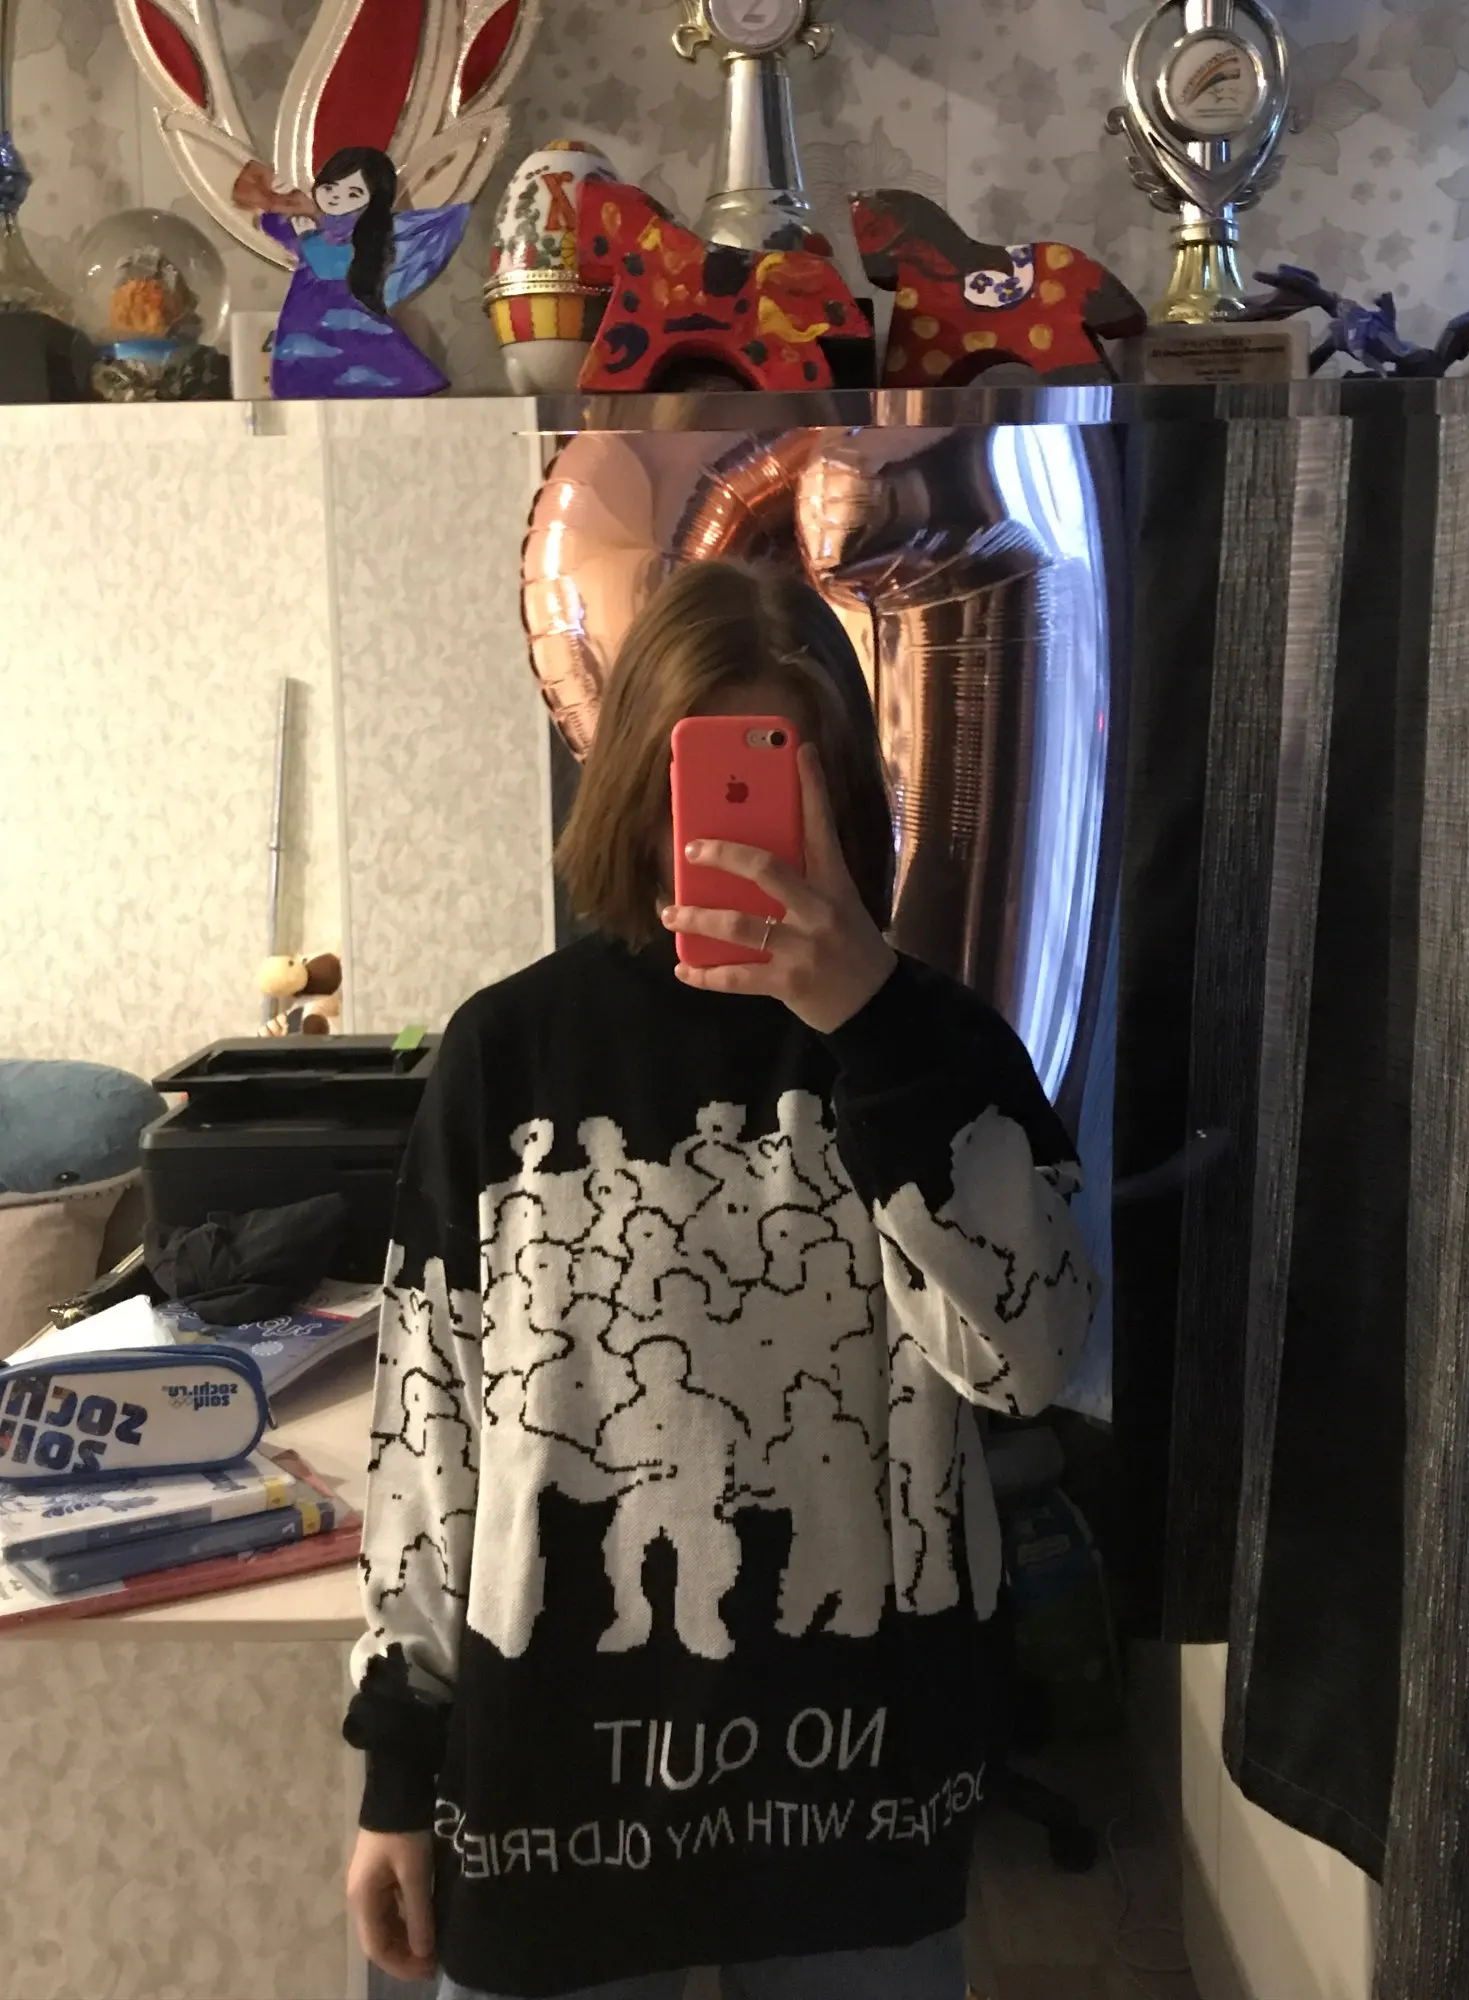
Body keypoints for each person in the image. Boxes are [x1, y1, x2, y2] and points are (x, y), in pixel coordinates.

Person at [343, 559, 1100, 2000]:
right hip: (556, 1788)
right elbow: (429, 1434)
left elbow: (1032, 1357)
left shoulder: (943, 1047)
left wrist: (872, 1031)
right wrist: (397, 1762)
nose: (742, 831)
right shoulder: (507, 1052)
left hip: (862, 1788)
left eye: (784, 782)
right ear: (639, 779)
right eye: (710, 780)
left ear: (847, 797)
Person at [231, 146, 469, 397]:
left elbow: (330, 267)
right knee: (304, 368)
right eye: (329, 187)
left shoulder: (367, 232)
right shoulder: (311, 218)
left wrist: (308, 236)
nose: (336, 197)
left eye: (353, 193)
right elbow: (274, 223)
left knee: (367, 362)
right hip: (305, 316)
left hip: (351, 314)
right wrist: (279, 200)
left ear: (373, 199)